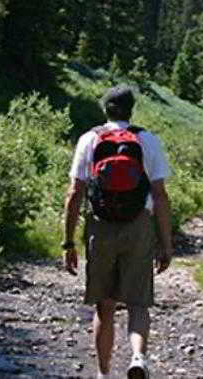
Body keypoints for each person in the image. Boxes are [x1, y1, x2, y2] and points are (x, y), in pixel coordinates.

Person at [62, 85, 174, 379]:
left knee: (105, 305)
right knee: (138, 301)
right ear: (130, 109)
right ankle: (138, 357)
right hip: (139, 225)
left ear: (105, 109)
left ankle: (103, 373)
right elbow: (160, 195)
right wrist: (166, 244)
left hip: (100, 226)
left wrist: (68, 242)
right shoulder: (146, 140)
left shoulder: (90, 139)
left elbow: (75, 193)